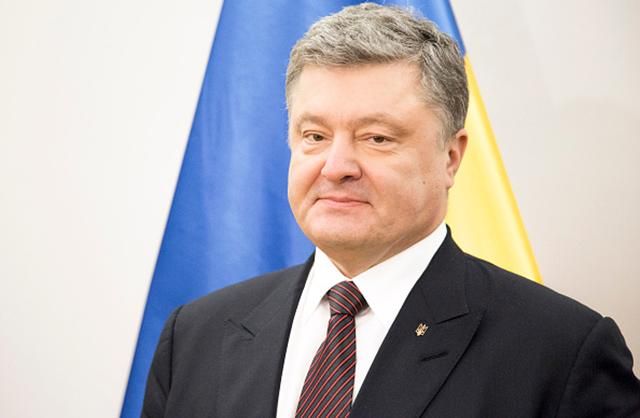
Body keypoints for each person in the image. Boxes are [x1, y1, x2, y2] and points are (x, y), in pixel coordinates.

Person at [142, 3, 640, 417]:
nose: (336, 167)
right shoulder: (195, 335)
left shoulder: (560, 352)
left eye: (376, 138)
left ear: (451, 157)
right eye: (314, 136)